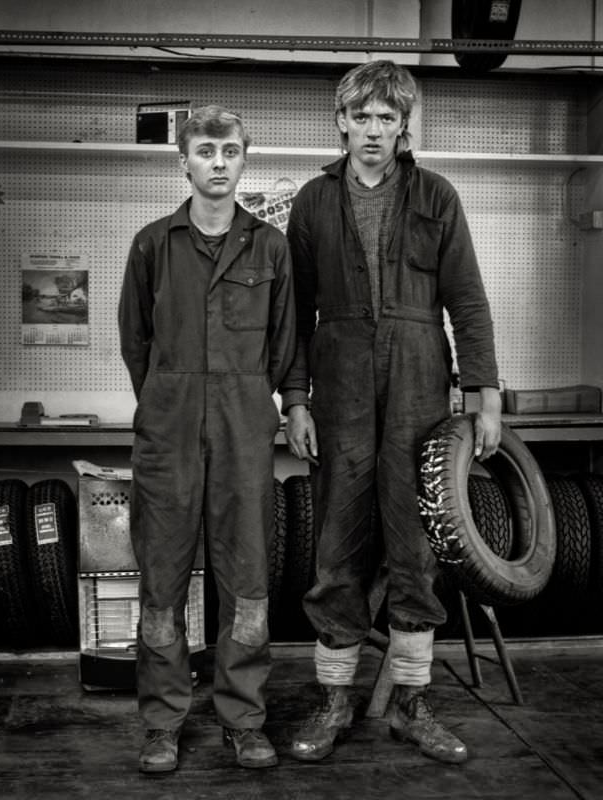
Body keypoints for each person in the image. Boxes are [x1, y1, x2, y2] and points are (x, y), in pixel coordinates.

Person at [281, 60, 501, 765]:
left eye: (387, 117)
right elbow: (294, 315)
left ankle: (411, 703)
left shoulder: (437, 194)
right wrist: (296, 399)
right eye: (362, 117)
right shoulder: (313, 202)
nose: (374, 130)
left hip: (418, 382)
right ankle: (335, 699)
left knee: (414, 548)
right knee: (337, 544)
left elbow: (466, 300)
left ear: (405, 125)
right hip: (339, 380)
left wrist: (483, 397)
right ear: (341, 122)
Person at [118, 105, 296, 774]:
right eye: (205, 151)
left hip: (244, 426)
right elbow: (136, 338)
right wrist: (168, 395)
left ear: (244, 158)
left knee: (247, 579)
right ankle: (162, 723)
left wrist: (248, 399)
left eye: (229, 150)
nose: (218, 163)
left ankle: (244, 719)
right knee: (162, 581)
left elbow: (286, 346)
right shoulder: (151, 244)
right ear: (184, 161)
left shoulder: (270, 248)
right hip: (168, 425)